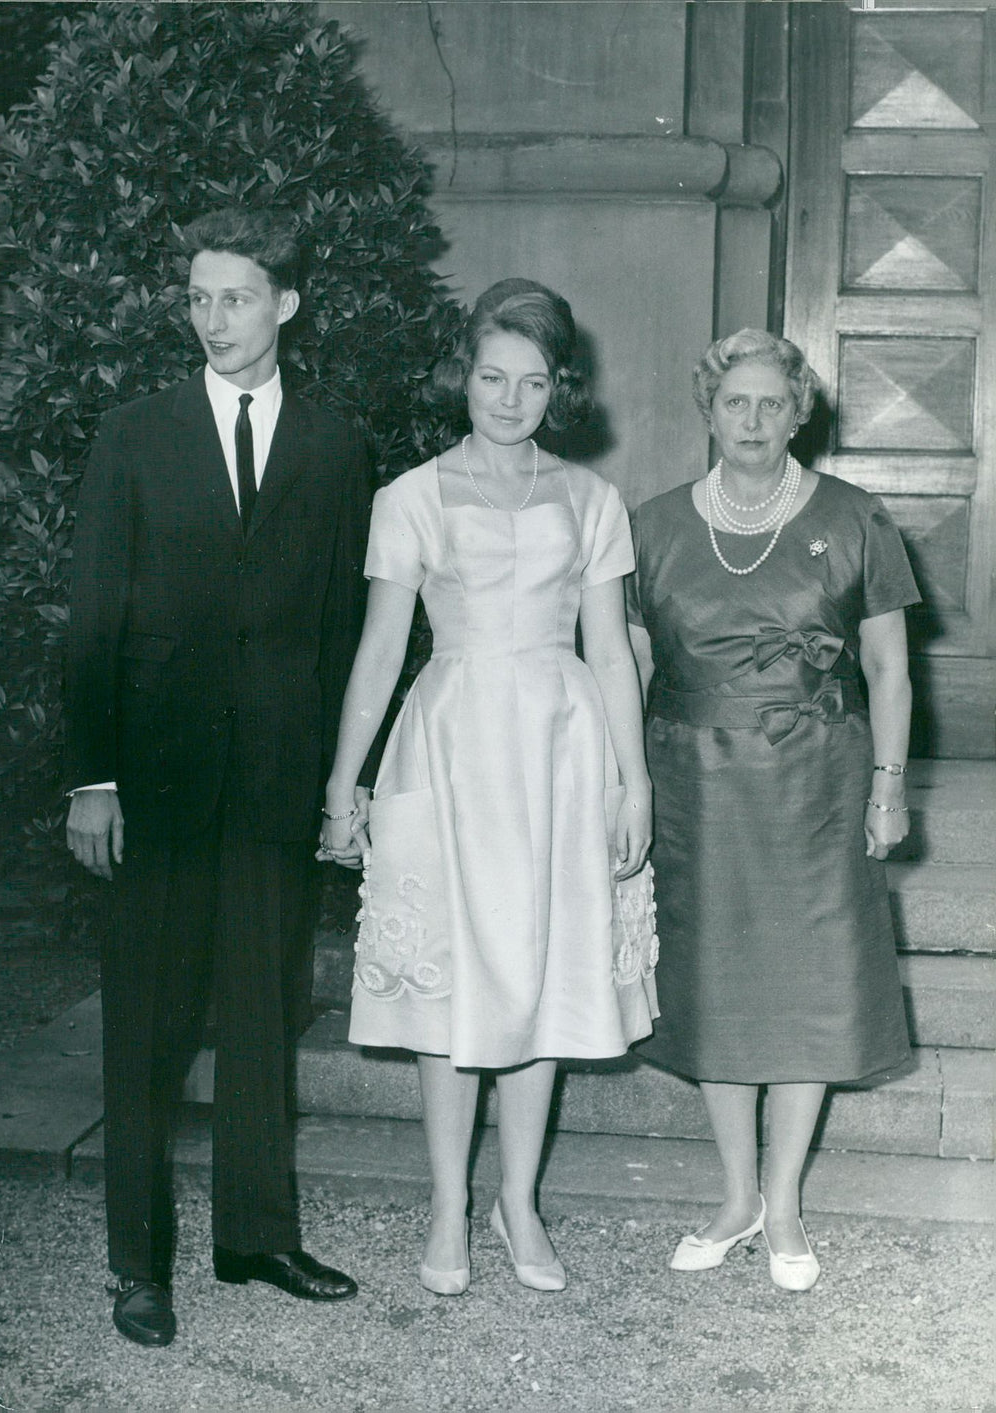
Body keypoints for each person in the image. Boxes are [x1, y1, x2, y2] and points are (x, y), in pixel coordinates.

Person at [65, 207, 371, 1347]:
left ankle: (255, 1236)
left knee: (260, 1010)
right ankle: (139, 1264)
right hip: (156, 778)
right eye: (198, 298)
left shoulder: (336, 444)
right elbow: (94, 617)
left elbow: (343, 627)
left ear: (285, 304)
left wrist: (341, 782)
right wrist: (93, 778)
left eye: (235, 297)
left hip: (277, 779)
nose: (213, 318)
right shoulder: (134, 434)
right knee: (145, 1026)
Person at [319, 279, 659, 1296]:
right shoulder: (410, 497)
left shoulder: (592, 500)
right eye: (492, 377)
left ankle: (519, 1202)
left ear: (560, 389)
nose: (510, 400)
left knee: (545, 971)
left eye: (533, 382)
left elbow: (610, 649)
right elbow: (381, 651)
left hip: (562, 751)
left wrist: (632, 781)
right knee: (454, 982)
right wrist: (343, 782)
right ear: (461, 377)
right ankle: (446, 1205)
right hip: (451, 748)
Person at [628, 328, 919, 1291]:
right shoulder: (654, 524)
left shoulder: (856, 516)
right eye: (734, 403)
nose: (752, 420)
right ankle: (737, 1195)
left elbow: (888, 665)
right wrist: (620, 784)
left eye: (771, 403)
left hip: (819, 782)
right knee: (713, 984)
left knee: (807, 982)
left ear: (800, 413)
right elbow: (629, 667)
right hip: (695, 782)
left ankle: (786, 1201)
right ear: (708, 411)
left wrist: (888, 785)